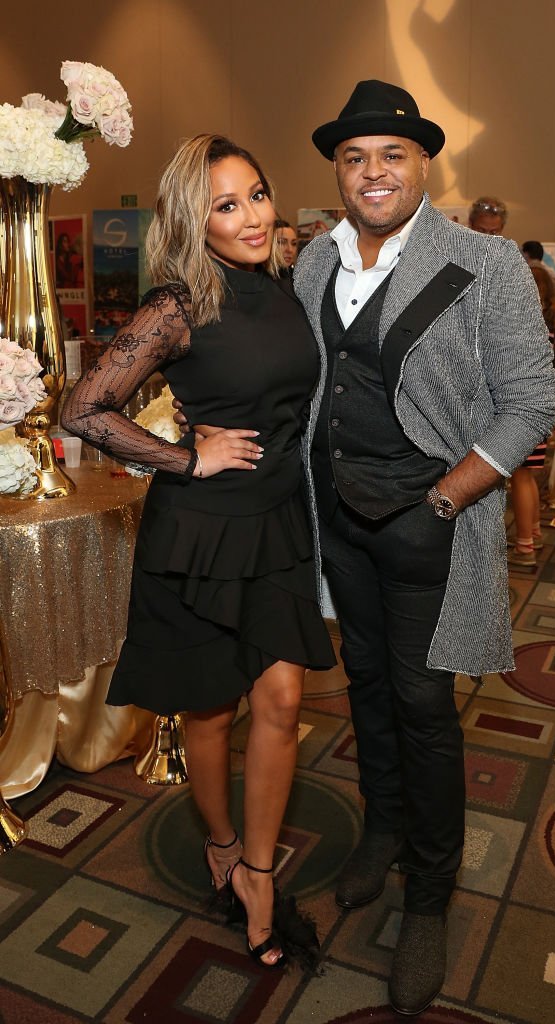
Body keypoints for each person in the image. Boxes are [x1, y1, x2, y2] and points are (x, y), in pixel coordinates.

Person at [178, 81, 555, 1015]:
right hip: (337, 526)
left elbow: (531, 402)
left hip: (429, 524)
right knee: (370, 690)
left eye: (390, 153)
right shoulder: (310, 264)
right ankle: (382, 833)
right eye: (353, 158)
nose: (372, 171)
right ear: (337, 174)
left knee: (426, 707)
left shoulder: (482, 262)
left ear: (422, 163)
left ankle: (430, 897)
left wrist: (443, 498)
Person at [61, 134, 335, 971]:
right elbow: (85, 408)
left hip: (280, 523)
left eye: (255, 194)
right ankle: (221, 844)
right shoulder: (178, 304)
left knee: (283, 700)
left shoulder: (286, 288)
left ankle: (257, 874)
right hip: (203, 530)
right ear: (193, 219)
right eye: (226, 205)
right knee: (210, 710)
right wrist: (186, 455)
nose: (251, 216)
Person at [507, 263, 555, 566]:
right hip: (539, 407)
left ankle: (524, 545)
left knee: (521, 477)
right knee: (528, 477)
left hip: (525, 409)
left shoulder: (531, 328)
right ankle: (535, 532)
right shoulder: (547, 326)